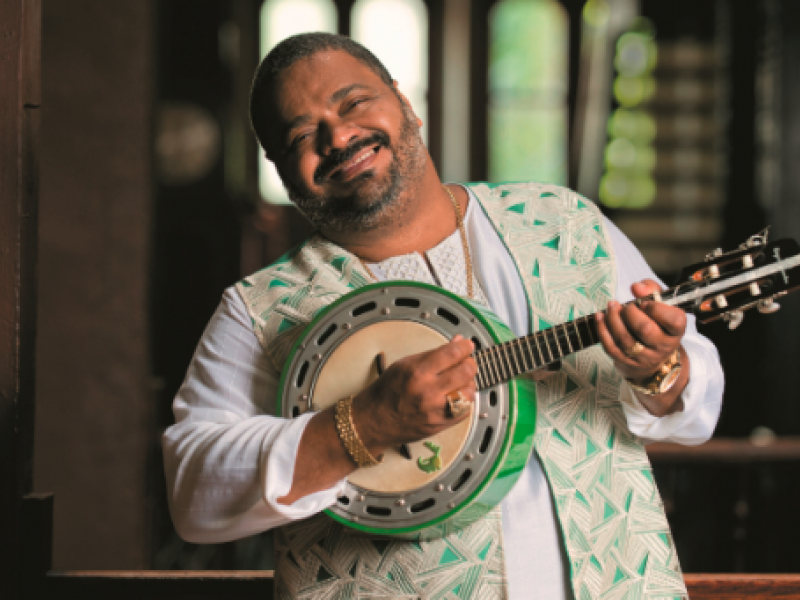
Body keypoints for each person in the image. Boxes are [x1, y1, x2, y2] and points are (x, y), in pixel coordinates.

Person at [163, 33, 723, 599]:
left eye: (354, 103)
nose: (339, 137)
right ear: (281, 168)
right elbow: (193, 494)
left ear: (404, 102)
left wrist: (660, 369)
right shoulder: (259, 309)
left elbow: (698, 409)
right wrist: (360, 428)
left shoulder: (566, 223)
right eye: (303, 135)